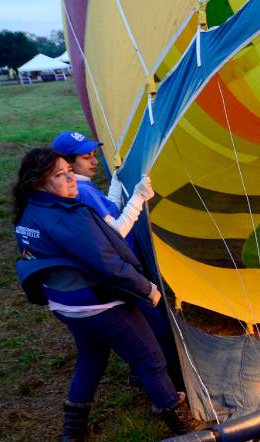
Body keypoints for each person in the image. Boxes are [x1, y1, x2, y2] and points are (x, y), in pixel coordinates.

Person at [11, 147, 197, 442]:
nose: (72, 178)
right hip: (100, 306)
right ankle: (180, 425)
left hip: (65, 305)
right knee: (150, 359)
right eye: (60, 175)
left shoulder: (29, 211)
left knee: (91, 358)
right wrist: (146, 288)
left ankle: (73, 432)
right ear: (38, 183)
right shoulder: (68, 217)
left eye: (69, 171)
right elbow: (107, 263)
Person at [52, 130, 184, 392]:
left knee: (140, 324)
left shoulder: (80, 188)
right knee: (157, 327)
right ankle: (173, 384)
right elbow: (117, 232)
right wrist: (137, 197)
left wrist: (114, 187)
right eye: (85, 157)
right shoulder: (84, 192)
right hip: (123, 270)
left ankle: (139, 373)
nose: (93, 161)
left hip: (115, 271)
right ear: (68, 162)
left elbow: (108, 213)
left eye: (93, 155)